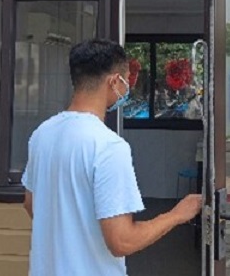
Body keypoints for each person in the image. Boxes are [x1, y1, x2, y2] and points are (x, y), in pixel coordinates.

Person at [22, 39, 202, 276]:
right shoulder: (108, 146)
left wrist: (70, 232)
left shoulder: (42, 134)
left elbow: (31, 203)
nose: (128, 88)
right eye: (127, 80)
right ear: (114, 81)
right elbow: (122, 241)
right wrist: (177, 215)